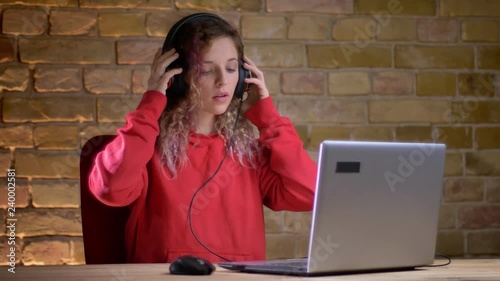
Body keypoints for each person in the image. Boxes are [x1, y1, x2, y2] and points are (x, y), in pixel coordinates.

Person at [88, 13, 317, 263]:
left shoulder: (250, 154)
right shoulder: (147, 148)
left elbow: (311, 193)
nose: (223, 81)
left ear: (243, 78)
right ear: (176, 79)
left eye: (231, 69)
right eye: (206, 70)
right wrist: (152, 101)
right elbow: (110, 188)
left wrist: (268, 119)